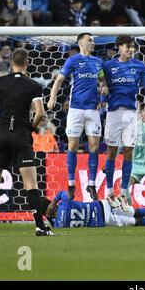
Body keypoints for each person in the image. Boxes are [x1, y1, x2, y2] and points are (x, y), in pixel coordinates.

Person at [0, 48, 53, 237]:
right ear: (27, 63)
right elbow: (40, 113)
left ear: (11, 64)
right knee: (30, 183)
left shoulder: (0, 82)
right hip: (21, 134)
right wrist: (31, 127)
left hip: (2, 133)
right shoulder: (33, 85)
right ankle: (39, 227)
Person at [48, 33, 106, 200]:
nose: (93, 42)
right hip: (75, 110)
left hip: (93, 111)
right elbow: (59, 80)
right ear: (81, 43)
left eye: (94, 40)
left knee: (94, 147)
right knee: (72, 146)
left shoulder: (98, 62)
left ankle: (92, 184)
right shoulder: (72, 60)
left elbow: (103, 83)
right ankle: (71, 183)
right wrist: (52, 97)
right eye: (90, 40)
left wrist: (103, 97)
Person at [101, 35, 145, 206]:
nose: (131, 49)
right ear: (119, 47)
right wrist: (100, 92)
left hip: (131, 113)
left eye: (133, 47)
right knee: (111, 152)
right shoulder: (108, 66)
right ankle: (109, 191)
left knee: (129, 152)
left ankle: (123, 192)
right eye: (128, 46)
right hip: (113, 113)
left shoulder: (140, 66)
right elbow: (99, 82)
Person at [42, 191, 145, 228]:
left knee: (138, 222)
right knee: (137, 211)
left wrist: (48, 217)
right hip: (102, 205)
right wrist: (54, 202)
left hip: (105, 220)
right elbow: (63, 193)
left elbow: (53, 224)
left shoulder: (59, 225)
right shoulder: (64, 203)